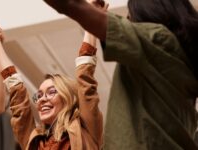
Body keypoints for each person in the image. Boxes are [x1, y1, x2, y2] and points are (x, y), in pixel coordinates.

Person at [43, 0, 198, 149]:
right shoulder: (183, 63)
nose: (127, 21)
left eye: (130, 17)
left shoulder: (156, 39)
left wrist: (89, 10)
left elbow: (70, 4)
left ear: (148, 16)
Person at [0, 8, 106, 148]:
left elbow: (85, 79)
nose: (42, 99)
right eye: (39, 95)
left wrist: (91, 16)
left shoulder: (86, 129)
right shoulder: (33, 140)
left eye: (51, 92)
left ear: (69, 97)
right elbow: (18, 96)